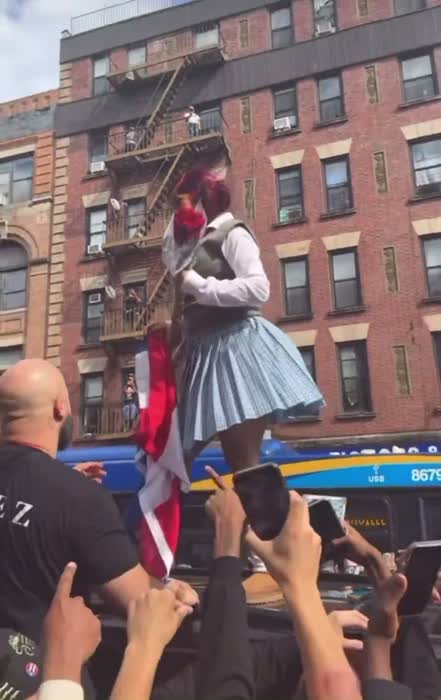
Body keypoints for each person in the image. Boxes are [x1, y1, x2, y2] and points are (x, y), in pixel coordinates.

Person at [0, 360, 197, 700]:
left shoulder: (69, 493)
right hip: (44, 682)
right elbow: (139, 602)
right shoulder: (77, 498)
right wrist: (174, 592)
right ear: (61, 408)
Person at [163, 168, 324, 474]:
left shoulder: (232, 232)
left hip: (236, 349)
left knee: (242, 461)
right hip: (203, 354)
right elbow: (193, 305)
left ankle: (265, 505)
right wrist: (174, 330)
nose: (176, 213)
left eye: (181, 202)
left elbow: (258, 288)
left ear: (200, 199)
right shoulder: (192, 246)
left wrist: (198, 285)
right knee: (175, 458)